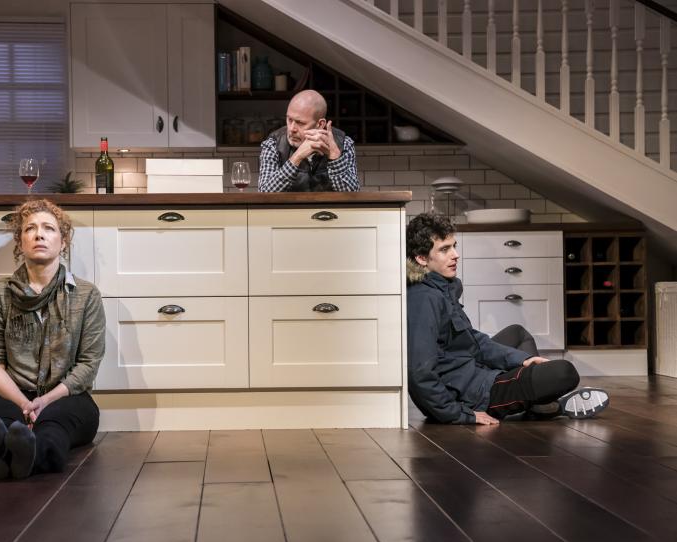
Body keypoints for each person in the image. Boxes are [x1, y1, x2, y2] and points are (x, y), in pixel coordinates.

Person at [406, 212, 609, 425]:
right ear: (421, 258)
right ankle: (543, 403)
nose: (455, 254)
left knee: (517, 334)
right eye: (444, 249)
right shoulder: (423, 298)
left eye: (454, 246)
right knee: (564, 373)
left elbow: (473, 342)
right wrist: (460, 414)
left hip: (475, 370)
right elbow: (419, 373)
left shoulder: (442, 288)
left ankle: (538, 403)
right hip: (476, 395)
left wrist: (521, 359)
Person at [0, 199, 105, 479]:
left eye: (49, 228)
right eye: (30, 228)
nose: (39, 234)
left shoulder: (87, 295)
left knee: (53, 427)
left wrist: (46, 400)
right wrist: (22, 403)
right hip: (12, 394)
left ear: (63, 242)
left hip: (68, 397)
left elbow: (89, 363)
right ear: (20, 241)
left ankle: (5, 460)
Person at [258, 89, 359, 192]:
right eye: (289, 119)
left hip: (328, 208)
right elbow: (265, 193)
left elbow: (353, 195)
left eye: (300, 123)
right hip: (291, 208)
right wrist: (297, 157)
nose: (292, 129)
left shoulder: (344, 143)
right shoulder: (273, 144)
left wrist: (335, 157)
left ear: (320, 124)